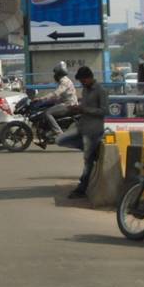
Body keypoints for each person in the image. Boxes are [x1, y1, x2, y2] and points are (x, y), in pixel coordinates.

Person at [66, 66, 109, 199]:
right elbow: (84, 106)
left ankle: (81, 189)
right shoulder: (85, 90)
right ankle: (91, 152)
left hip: (95, 129)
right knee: (62, 139)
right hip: (84, 126)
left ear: (89, 78)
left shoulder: (101, 91)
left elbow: (104, 111)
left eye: (83, 81)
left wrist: (85, 110)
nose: (82, 83)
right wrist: (77, 108)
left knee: (87, 161)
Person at [38, 67, 78, 146]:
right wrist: (52, 100)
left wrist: (42, 98)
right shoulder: (64, 81)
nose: (54, 76)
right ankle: (47, 138)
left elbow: (56, 93)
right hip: (68, 103)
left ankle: (58, 133)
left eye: (55, 74)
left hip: (69, 105)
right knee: (50, 108)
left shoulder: (64, 82)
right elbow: (60, 96)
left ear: (59, 74)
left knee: (47, 113)